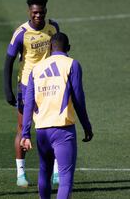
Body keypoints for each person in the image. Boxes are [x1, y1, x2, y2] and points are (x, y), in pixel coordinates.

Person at [20, 32, 93, 198]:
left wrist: (25, 133)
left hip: (42, 131)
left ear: (50, 48)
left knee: (44, 171)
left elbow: (28, 103)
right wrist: (87, 126)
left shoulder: (36, 69)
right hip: (63, 130)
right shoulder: (72, 64)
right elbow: (78, 99)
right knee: (65, 178)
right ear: (68, 48)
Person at [3, 0, 60, 187]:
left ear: (46, 10)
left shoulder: (53, 28)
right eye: (34, 12)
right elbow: (9, 61)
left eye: (41, 12)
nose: (38, 15)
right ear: (29, 12)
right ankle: (21, 174)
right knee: (22, 128)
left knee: (54, 127)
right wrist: (8, 90)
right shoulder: (21, 33)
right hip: (27, 86)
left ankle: (56, 171)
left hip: (49, 85)